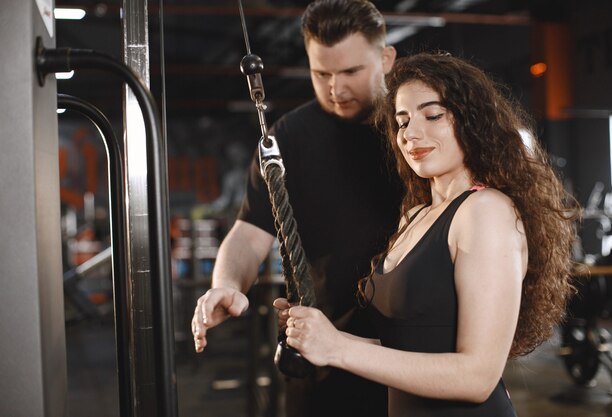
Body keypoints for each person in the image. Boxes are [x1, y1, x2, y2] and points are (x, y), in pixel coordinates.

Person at [279, 52, 579, 417]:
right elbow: (408, 345)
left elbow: (477, 377)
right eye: (402, 122)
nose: (411, 134)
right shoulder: (415, 216)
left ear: (472, 122)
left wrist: (338, 349)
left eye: (432, 115)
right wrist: (323, 337)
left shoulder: (485, 212)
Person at [191, 1, 402, 416]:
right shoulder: (289, 137)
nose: (335, 89)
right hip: (321, 354)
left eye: (351, 73)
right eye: (321, 74)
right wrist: (228, 284)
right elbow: (250, 232)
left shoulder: (416, 131)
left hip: (407, 354)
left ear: (386, 58)